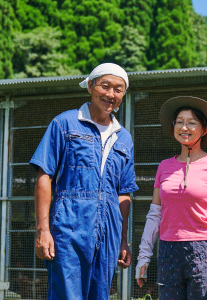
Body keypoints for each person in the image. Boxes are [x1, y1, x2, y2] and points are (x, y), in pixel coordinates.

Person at [30, 63, 139, 300]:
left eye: (118, 89)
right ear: (90, 86)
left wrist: (122, 239)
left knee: (100, 295)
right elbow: (44, 176)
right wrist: (43, 229)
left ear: (123, 95)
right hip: (70, 223)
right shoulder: (65, 123)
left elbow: (124, 193)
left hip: (109, 228)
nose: (111, 94)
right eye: (105, 86)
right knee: (67, 294)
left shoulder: (124, 138)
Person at [135, 96, 207, 300]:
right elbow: (155, 214)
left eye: (191, 122)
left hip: (205, 249)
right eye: (179, 122)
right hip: (168, 250)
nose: (184, 127)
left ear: (204, 129)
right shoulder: (164, 166)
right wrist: (143, 255)